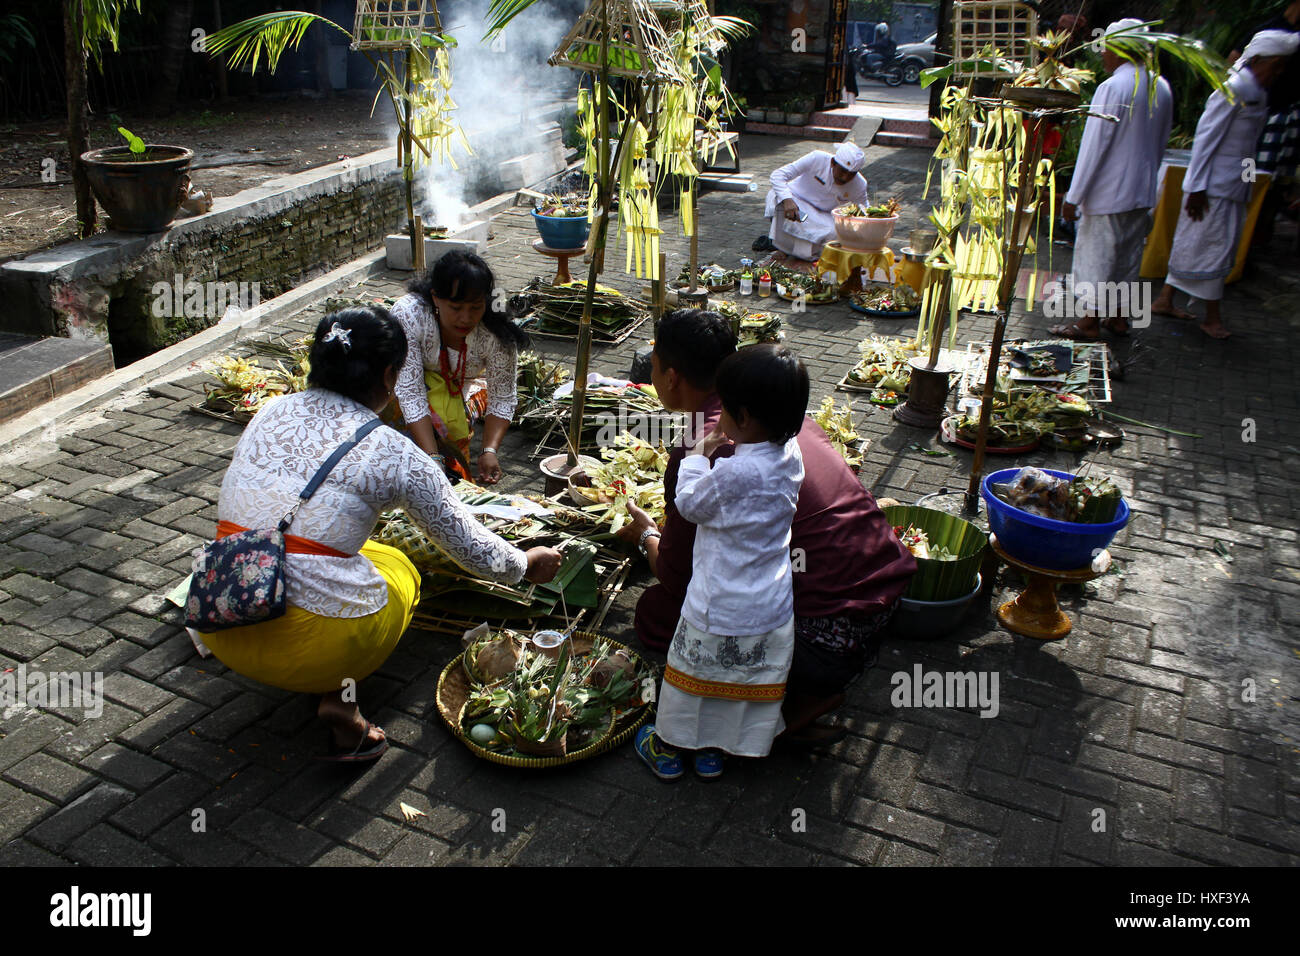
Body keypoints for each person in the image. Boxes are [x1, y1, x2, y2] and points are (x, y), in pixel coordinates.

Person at [201, 308, 563, 762]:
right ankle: (341, 701)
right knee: (399, 568)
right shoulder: (394, 451)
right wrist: (526, 564)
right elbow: (470, 548)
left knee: (326, 544)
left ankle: (319, 673)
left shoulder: (273, 408)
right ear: (390, 375)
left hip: (225, 614)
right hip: (311, 649)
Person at [618, 310, 916, 744]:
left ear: (672, 376)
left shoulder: (706, 448)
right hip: (885, 596)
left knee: (658, 616)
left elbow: (678, 576)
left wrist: (647, 534)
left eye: (655, 362)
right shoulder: (783, 420)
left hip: (826, 635)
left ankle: (780, 713)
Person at [634, 344, 808, 780]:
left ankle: (670, 745)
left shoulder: (734, 472)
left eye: (726, 410)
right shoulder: (791, 456)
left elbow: (690, 504)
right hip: (768, 603)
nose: (720, 418)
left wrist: (696, 458)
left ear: (744, 418)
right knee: (739, 683)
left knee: (691, 679)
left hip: (718, 603)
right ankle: (717, 750)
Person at [1152, 30, 1300, 338]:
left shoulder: (1256, 94)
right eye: (1275, 66)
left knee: (1204, 245)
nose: (1278, 74)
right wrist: (1195, 187)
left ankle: (1165, 299)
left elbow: (1249, 148)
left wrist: (1247, 183)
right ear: (1257, 61)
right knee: (1210, 248)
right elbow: (1205, 141)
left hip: (1231, 187)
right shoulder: (1231, 90)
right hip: (1212, 188)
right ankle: (1212, 316)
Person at [1052, 19, 1173, 341]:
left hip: (1108, 193)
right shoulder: (1160, 86)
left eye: (1105, 47)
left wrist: (1073, 196)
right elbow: (1161, 145)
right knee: (1127, 259)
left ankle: (1089, 322)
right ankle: (1118, 318)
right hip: (1142, 191)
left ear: (1120, 50)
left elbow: (1094, 149)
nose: (1102, 54)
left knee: (1099, 259)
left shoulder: (1114, 87)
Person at [389, 251, 526, 483]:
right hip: (408, 384)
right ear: (435, 298)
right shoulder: (410, 315)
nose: (465, 318)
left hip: (464, 387)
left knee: (450, 438)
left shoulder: (496, 334)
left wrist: (489, 450)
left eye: (475, 307)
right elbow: (410, 392)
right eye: (455, 307)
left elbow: (502, 398)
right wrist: (432, 457)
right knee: (395, 429)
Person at [759, 141, 870, 264]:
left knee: (836, 233)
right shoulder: (817, 158)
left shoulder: (860, 184)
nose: (845, 178)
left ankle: (802, 254)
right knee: (775, 196)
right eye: (843, 171)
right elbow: (778, 175)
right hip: (796, 203)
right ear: (833, 163)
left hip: (822, 216)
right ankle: (783, 248)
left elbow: (864, 211)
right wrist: (787, 200)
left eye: (851, 174)